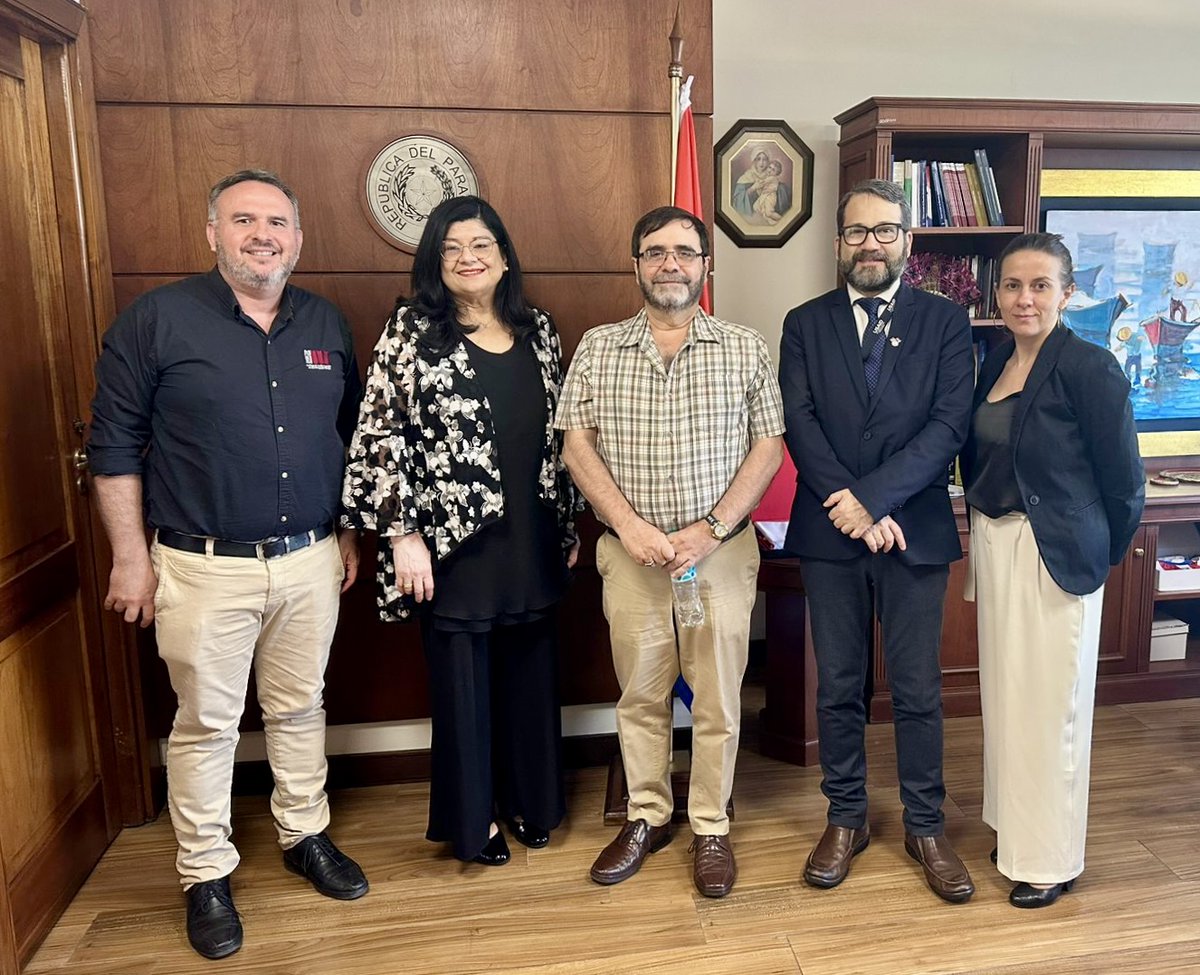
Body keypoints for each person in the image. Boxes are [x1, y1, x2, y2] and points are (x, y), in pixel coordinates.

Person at [87, 169, 368, 960]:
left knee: (300, 706)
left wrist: (346, 531)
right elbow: (112, 448)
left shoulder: (325, 321)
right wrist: (129, 558)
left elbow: (347, 437)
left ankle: (304, 834)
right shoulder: (157, 321)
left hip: (311, 558)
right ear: (212, 232)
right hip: (201, 566)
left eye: (277, 222)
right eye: (243, 220)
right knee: (207, 723)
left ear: (299, 237)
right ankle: (205, 873)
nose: (262, 235)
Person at [341, 195, 580, 869]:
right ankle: (475, 823)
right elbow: (376, 434)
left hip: (532, 534)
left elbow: (562, 436)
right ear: (435, 264)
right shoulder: (411, 331)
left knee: (531, 673)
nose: (467, 257)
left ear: (504, 256)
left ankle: (534, 801)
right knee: (464, 685)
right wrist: (401, 534)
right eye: (451, 249)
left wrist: (566, 520)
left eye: (480, 244)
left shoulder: (540, 328)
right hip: (451, 543)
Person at [557, 206, 784, 898]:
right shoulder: (598, 348)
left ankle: (710, 823)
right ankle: (648, 815)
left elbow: (768, 446)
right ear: (636, 265)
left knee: (717, 699)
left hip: (718, 556)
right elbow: (576, 444)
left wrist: (710, 527)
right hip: (633, 559)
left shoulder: (744, 347)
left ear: (705, 264)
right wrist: (627, 526)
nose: (670, 264)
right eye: (655, 252)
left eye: (685, 251)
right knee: (642, 695)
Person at [779, 178, 975, 902]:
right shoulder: (805, 322)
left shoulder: (947, 322)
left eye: (885, 230)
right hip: (831, 532)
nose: (871, 244)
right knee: (838, 685)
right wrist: (852, 506)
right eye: (857, 232)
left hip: (912, 530)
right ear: (838, 244)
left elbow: (947, 427)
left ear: (907, 242)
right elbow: (799, 419)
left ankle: (926, 824)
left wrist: (873, 497)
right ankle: (847, 817)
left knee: (919, 689)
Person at [960, 233, 1144, 908]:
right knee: (1009, 702)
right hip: (998, 545)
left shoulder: (1091, 367)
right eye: (1012, 285)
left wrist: (1093, 554)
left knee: (1052, 711)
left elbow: (1126, 485)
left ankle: (1049, 858)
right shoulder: (994, 361)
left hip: (1056, 555)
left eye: (1040, 285)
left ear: (1068, 293)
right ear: (997, 293)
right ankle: (1016, 830)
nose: (1024, 298)